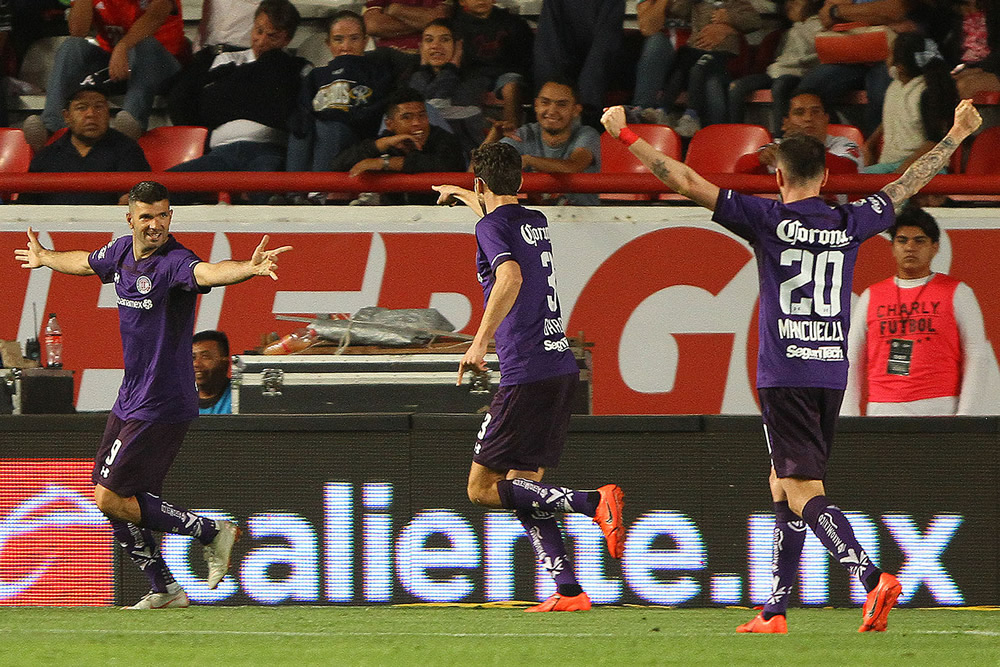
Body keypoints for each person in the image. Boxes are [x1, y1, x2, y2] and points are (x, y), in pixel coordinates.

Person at [600, 98, 981, 632]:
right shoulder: (850, 219)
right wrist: (957, 133)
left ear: (779, 177)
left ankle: (873, 579)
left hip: (785, 373)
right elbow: (908, 183)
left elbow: (683, 178)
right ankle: (775, 607)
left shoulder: (768, 218)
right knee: (784, 482)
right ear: (827, 175)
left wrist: (625, 136)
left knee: (803, 491)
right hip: (829, 368)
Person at [13, 180, 292, 609]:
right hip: (131, 395)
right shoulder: (120, 253)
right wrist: (45, 257)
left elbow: (207, 272)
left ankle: (212, 532)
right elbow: (86, 263)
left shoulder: (174, 263)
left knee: (108, 496)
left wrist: (248, 269)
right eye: (147, 216)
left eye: (163, 215)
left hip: (163, 398)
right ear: (130, 220)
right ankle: (165, 589)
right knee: (115, 499)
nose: (156, 224)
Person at [430, 142, 624, 612]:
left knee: (480, 488)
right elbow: (496, 208)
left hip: (526, 369)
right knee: (525, 487)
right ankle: (569, 591)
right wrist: (461, 192)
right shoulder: (532, 219)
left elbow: (509, 277)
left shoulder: (490, 226)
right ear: (520, 180)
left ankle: (590, 501)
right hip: (559, 365)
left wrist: (479, 341)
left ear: (482, 182)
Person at [843, 206, 1000, 416]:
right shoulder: (872, 295)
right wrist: (848, 415)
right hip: (882, 409)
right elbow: (852, 358)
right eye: (902, 240)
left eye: (919, 240)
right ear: (892, 247)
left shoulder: (958, 293)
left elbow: (977, 355)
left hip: (940, 408)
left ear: (935, 247)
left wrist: (965, 416)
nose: (910, 247)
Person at [166, 0, 307, 201]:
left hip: (269, 152)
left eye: (272, 36)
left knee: (267, 197)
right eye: (258, 31)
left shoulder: (299, 67)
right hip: (219, 153)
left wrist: (235, 91)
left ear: (288, 39)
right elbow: (209, 106)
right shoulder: (226, 59)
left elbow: (285, 111)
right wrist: (263, 98)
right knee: (156, 191)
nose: (261, 41)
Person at [21, 0, 187, 150]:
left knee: (146, 45)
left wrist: (124, 45)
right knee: (71, 46)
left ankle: (131, 122)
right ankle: (51, 126)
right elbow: (78, 31)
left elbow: (156, 16)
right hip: (117, 67)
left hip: (163, 65)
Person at [283, 9, 397, 196]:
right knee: (300, 130)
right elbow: (302, 110)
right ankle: (293, 195)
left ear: (365, 40)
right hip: (320, 130)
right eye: (338, 39)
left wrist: (337, 116)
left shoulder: (377, 71)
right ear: (328, 43)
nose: (346, 46)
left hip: (355, 135)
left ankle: (320, 192)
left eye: (354, 38)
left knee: (331, 127)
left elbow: (376, 110)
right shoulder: (316, 75)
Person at [20, 84, 151, 205]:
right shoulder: (47, 156)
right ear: (67, 116)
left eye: (99, 107)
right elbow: (25, 207)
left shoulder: (128, 150)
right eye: (81, 108)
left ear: (108, 113)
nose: (91, 114)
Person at [330, 87, 465, 204]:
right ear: (390, 124)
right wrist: (379, 145)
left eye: (422, 116)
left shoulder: (444, 139)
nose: (417, 123)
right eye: (407, 117)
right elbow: (337, 165)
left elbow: (444, 165)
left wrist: (386, 163)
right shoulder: (386, 142)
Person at [483, 79, 601, 206]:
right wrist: (493, 137)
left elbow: (573, 166)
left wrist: (528, 160)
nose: (551, 111)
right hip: (536, 222)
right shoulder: (525, 134)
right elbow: (477, 172)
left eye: (562, 104)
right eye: (545, 102)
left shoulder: (587, 134)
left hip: (584, 222)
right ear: (536, 105)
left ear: (576, 110)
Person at [655, 0, 762, 137]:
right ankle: (662, 111)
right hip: (694, 50)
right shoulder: (698, 3)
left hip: (720, 55)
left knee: (699, 71)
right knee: (679, 68)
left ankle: (691, 116)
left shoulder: (735, 2)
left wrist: (729, 18)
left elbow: (754, 21)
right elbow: (678, 10)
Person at [862, 33, 959, 174]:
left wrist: (902, 173)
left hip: (926, 166)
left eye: (890, 54)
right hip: (891, 165)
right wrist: (870, 144)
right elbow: (895, 115)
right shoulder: (894, 87)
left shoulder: (926, 91)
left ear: (900, 66)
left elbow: (936, 140)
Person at [727, 0, 825, 133]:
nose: (790, 6)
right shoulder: (788, 31)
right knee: (737, 86)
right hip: (774, 73)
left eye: (796, 3)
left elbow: (811, 59)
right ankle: (735, 133)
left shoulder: (817, 26)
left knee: (780, 86)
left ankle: (780, 136)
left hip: (798, 74)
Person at [734, 91, 862, 176]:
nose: (808, 118)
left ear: (826, 118)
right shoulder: (778, 147)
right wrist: (758, 160)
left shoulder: (844, 144)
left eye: (816, 112)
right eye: (799, 113)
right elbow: (740, 172)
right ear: (785, 122)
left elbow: (848, 169)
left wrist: (802, 146)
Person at [453, 0, 533, 131]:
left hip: (507, 73)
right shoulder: (456, 26)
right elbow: (460, 65)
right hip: (473, 77)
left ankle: (511, 138)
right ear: (462, 1)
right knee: (467, 90)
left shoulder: (513, 23)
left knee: (511, 85)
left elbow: (525, 58)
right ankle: (474, 143)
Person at [408, 18, 485, 155]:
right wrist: (424, 71)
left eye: (444, 40)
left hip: (463, 156)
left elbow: (434, 108)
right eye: (429, 40)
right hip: (424, 155)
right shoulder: (416, 77)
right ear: (421, 47)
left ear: (458, 46)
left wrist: (452, 67)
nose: (435, 46)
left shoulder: (474, 80)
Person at [193, 329, 233, 415]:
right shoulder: (178, 402)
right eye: (193, 358)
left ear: (225, 362)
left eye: (205, 356)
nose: (196, 363)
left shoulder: (240, 397)